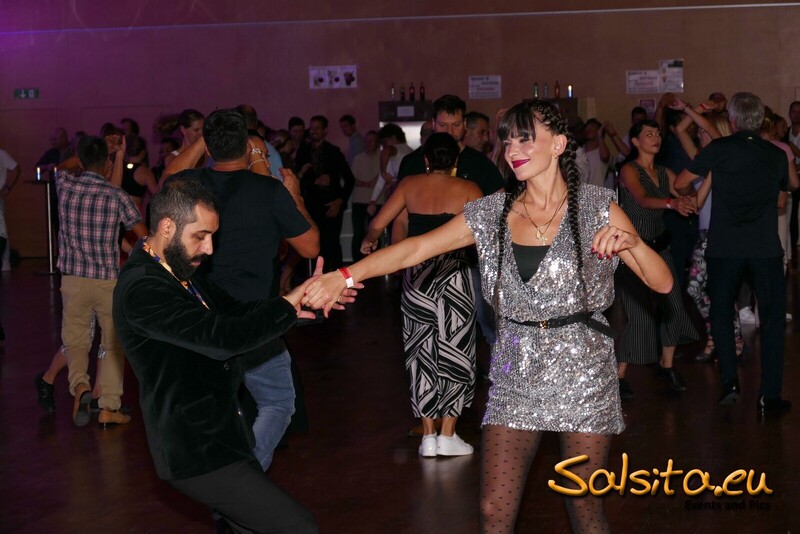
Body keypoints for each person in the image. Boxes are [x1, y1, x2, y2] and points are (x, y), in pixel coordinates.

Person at [302, 100, 673, 533]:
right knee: (493, 508)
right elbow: (416, 248)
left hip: (583, 370)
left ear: (558, 144)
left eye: (525, 139)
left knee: (584, 507)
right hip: (515, 368)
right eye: (508, 140)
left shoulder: (597, 208)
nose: (513, 149)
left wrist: (633, 243)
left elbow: (663, 284)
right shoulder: (492, 212)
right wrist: (345, 275)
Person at [112, 178, 321, 533]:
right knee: (298, 527)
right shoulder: (142, 288)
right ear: (167, 227)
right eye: (201, 236)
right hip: (195, 451)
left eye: (212, 236)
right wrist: (284, 309)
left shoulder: (178, 270)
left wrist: (295, 304)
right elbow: (222, 338)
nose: (209, 248)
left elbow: (234, 312)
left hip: (223, 438)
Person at [168, 109, 320, 472]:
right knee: (278, 401)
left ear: (208, 147)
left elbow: (168, 177)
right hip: (254, 320)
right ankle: (247, 474)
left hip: (201, 317)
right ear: (247, 146)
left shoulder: (190, 185)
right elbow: (311, 247)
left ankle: (225, 477)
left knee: (210, 405)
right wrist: (296, 196)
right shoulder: (269, 191)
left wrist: (203, 141)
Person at [361, 133, 482, 457]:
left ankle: (428, 436)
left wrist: (369, 241)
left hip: (418, 276)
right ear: (455, 161)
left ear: (426, 160)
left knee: (421, 351)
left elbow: (378, 224)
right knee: (456, 350)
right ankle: (448, 435)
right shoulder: (469, 189)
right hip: (454, 276)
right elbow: (485, 234)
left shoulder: (409, 185)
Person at [676, 92, 790, 413]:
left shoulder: (720, 150)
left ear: (733, 119)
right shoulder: (777, 154)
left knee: (722, 313)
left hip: (725, 246)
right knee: (771, 321)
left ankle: (730, 381)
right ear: (760, 120)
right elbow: (781, 200)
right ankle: (769, 396)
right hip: (764, 246)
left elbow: (682, 183)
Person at [54, 136, 148, 427]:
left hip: (73, 280)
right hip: (107, 281)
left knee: (76, 340)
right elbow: (142, 234)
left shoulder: (66, 186)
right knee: (112, 343)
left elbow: (61, 167)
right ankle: (109, 406)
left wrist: (88, 153)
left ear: (81, 161)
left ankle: (80, 385)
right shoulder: (116, 195)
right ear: (107, 162)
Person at [615, 119, 698, 398]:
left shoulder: (665, 172)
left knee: (674, 306)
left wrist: (697, 187)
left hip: (660, 250)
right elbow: (641, 199)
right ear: (635, 141)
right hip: (632, 252)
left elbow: (688, 193)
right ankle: (619, 376)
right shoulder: (629, 169)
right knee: (640, 317)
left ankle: (667, 365)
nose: (655, 137)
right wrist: (672, 203)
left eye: (658, 133)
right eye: (648, 134)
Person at [295, 115, 354, 270]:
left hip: (331, 205)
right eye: (312, 127)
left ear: (325, 130)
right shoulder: (303, 151)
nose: (313, 131)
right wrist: (314, 181)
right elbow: (296, 178)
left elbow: (349, 179)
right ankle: (313, 278)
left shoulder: (333, 152)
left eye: (317, 128)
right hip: (311, 205)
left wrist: (339, 201)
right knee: (312, 243)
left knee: (331, 244)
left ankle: (338, 278)